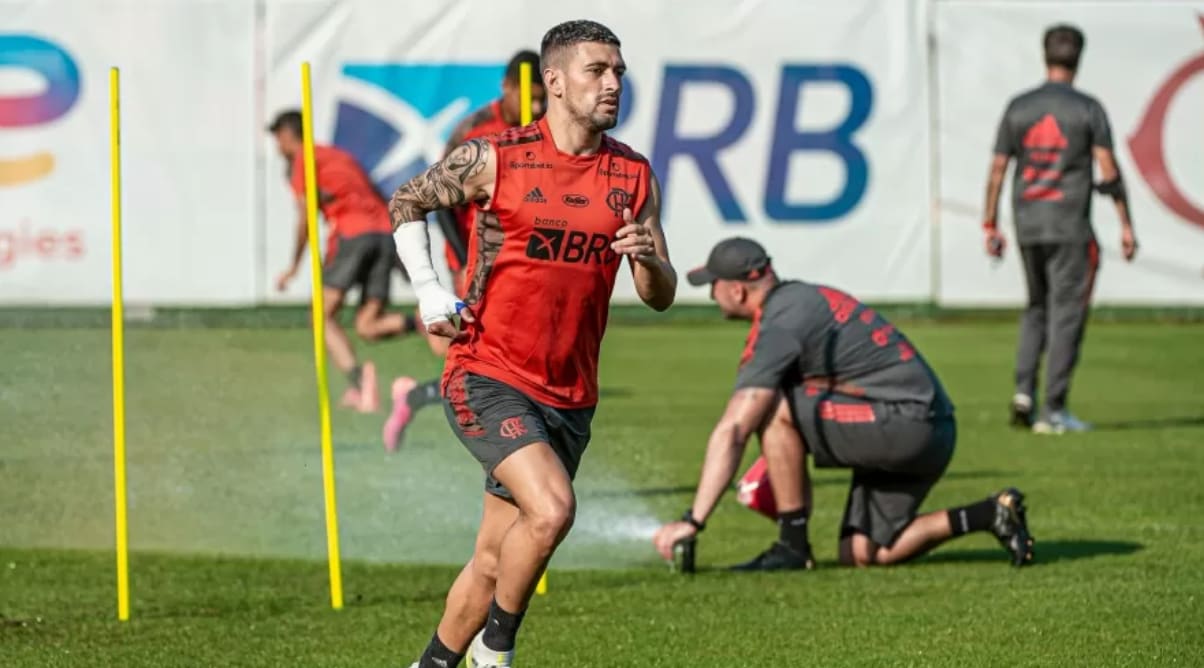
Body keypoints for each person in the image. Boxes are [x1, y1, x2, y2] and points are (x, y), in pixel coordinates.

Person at [390, 20, 675, 668]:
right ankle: (497, 650)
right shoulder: (497, 156)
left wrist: (649, 262)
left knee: (494, 559)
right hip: (488, 370)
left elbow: (660, 292)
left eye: (619, 73)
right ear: (553, 80)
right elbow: (407, 202)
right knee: (552, 511)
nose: (612, 84)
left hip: (571, 394)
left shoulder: (632, 174)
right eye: (596, 70)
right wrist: (431, 290)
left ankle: (431, 663)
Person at [651, 238, 1033, 572]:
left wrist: (693, 521)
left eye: (713, 284)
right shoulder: (800, 298)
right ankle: (990, 513)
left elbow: (735, 428)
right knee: (863, 552)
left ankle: (792, 547)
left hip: (903, 423)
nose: (710, 292)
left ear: (737, 290)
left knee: (772, 406)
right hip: (930, 427)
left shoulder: (781, 322)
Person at [383, 49, 547, 452]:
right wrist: (461, 266)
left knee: (502, 358)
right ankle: (421, 396)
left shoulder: (545, 130)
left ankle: (414, 396)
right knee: (485, 358)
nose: (538, 106)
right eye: (532, 96)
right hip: (476, 258)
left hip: (525, 258)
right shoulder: (475, 131)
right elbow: (439, 205)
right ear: (507, 88)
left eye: (544, 98)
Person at [981, 24, 1137, 434]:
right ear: (1078, 58)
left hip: (1028, 222)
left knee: (1035, 308)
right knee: (1066, 315)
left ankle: (1023, 392)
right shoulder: (1087, 108)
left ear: (1044, 55)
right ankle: (1054, 410)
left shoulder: (1019, 107)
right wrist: (1125, 223)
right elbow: (1109, 170)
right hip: (1070, 225)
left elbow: (998, 169)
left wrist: (990, 223)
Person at [269, 110, 419, 413]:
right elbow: (376, 197)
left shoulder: (304, 160)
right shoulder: (338, 156)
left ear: (286, 136)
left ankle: (360, 386)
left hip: (353, 234)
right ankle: (426, 322)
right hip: (384, 234)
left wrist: (294, 266)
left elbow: (305, 217)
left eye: (277, 140)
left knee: (320, 316)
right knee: (367, 325)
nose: (277, 148)